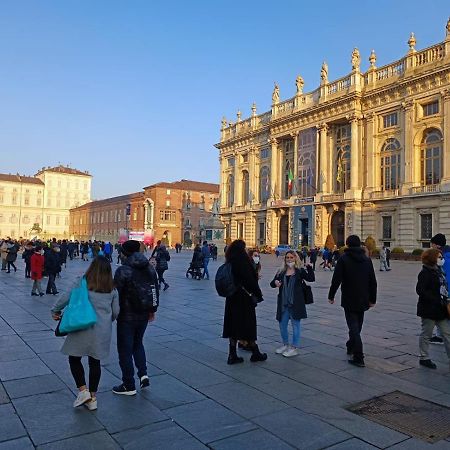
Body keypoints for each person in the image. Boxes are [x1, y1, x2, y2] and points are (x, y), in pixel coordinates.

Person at [51, 257, 119, 410]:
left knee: (74, 358)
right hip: (101, 331)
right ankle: (93, 398)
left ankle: (83, 391)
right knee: (95, 362)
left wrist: (55, 310)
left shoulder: (81, 281)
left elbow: (65, 298)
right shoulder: (112, 288)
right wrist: (106, 319)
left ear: (91, 268)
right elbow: (116, 312)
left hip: (80, 327)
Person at [113, 240, 159, 395]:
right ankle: (143, 374)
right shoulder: (149, 268)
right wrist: (153, 309)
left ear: (125, 253)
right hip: (144, 313)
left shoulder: (123, 270)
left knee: (125, 349)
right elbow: (155, 289)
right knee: (138, 344)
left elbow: (116, 294)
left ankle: (128, 384)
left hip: (127, 315)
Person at [328, 235, 377, 367]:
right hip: (363, 298)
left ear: (347, 245)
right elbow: (373, 281)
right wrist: (373, 299)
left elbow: (336, 279)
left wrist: (331, 295)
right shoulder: (367, 260)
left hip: (349, 298)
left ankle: (359, 356)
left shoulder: (344, 259)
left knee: (353, 327)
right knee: (357, 325)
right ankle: (351, 345)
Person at [222, 240, 267, 364]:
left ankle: (232, 354)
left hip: (231, 298)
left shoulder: (230, 262)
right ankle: (255, 352)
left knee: (233, 325)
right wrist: (258, 293)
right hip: (244, 298)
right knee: (248, 325)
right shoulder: (243, 262)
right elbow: (250, 281)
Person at [270, 251, 315, 357]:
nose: (289, 259)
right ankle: (285, 345)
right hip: (283, 303)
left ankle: (294, 348)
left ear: (295, 259)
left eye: (291, 257)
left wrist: (309, 268)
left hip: (296, 303)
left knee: (296, 325)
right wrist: (275, 283)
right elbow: (272, 283)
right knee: (282, 325)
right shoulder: (281, 271)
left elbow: (311, 279)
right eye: (287, 258)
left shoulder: (299, 271)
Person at [416, 248, 450, 369]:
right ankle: (424, 357)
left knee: (447, 334)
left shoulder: (440, 271)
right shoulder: (425, 273)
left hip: (441, 309)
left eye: (441, 257)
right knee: (427, 334)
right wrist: (435, 298)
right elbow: (420, 290)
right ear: (432, 258)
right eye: (439, 257)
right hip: (429, 309)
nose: (441, 259)